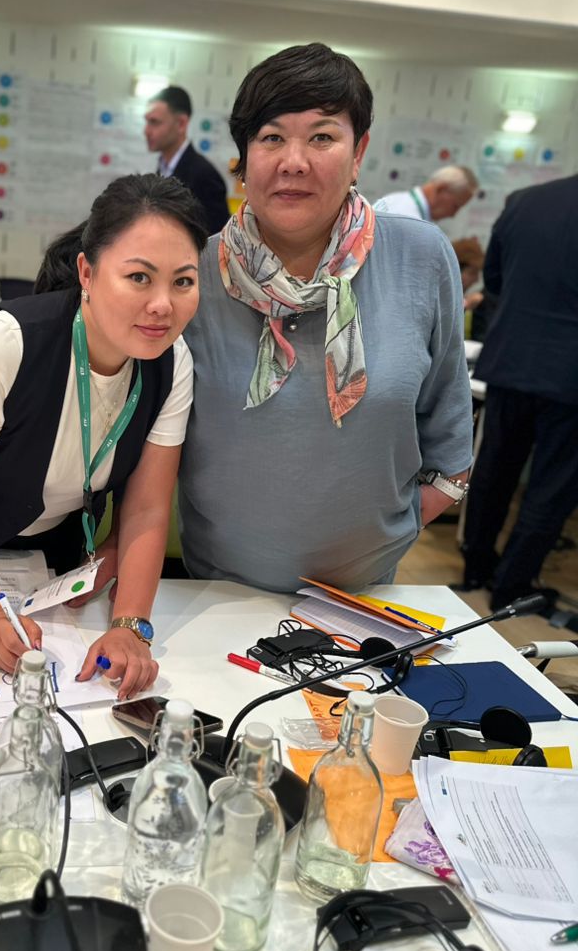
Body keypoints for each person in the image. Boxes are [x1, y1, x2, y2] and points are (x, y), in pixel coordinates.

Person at [0, 174, 207, 697]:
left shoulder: (172, 364)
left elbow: (147, 510)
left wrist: (131, 627)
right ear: (87, 271)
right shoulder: (8, 342)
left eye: (183, 282)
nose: (162, 304)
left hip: (51, 532)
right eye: (139, 277)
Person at [178, 42, 473, 592]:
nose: (294, 161)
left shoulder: (421, 256)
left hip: (366, 594)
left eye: (321, 137)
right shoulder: (193, 272)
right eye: (271, 138)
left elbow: (448, 420)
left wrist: (408, 522)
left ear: (358, 152)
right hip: (216, 590)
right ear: (243, 157)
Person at [460, 173, 578, 610]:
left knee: (493, 469)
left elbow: (493, 280)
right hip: (570, 377)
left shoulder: (525, 200)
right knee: (552, 485)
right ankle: (511, 587)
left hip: (511, 356)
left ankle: (475, 567)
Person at [144, 86, 229, 235]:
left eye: (154, 122)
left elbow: (217, 240)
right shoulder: (162, 167)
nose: (146, 130)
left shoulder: (204, 176)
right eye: (147, 122)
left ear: (181, 124)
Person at [374, 165, 478, 223]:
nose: (453, 215)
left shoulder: (394, 199)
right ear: (441, 189)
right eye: (455, 206)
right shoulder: (411, 221)